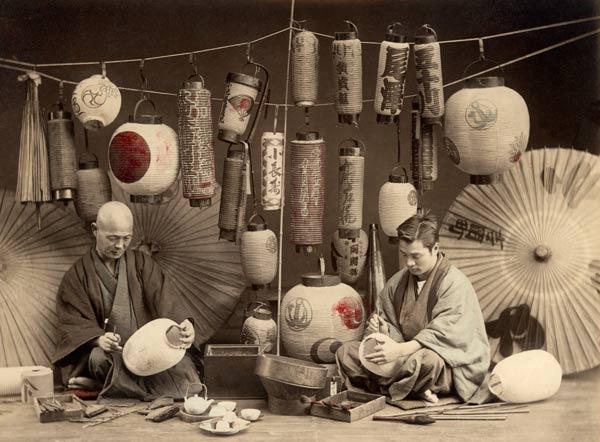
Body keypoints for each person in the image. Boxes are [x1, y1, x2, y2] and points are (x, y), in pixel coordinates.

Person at [52, 201, 201, 400]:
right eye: (112, 238)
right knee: (97, 360)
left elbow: (166, 300)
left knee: (184, 368)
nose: (120, 246)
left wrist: (185, 326)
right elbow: (72, 322)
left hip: (149, 351)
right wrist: (98, 339)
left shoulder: (142, 263)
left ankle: (105, 385)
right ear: (95, 230)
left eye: (126, 238)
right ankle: (111, 381)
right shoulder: (77, 275)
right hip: (112, 355)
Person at [336, 213, 491, 405]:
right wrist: (384, 333)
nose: (409, 263)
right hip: (402, 358)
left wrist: (399, 350)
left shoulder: (454, 283)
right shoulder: (398, 282)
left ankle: (385, 386)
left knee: (428, 362)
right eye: (404, 255)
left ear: (435, 248)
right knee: (346, 352)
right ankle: (409, 388)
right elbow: (387, 323)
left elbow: (443, 333)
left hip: (445, 361)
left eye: (416, 256)